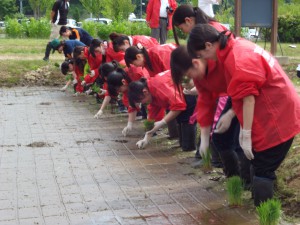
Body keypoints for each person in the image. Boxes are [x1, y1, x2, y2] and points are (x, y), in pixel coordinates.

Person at [186, 24, 300, 206]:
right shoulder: (234, 47)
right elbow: (240, 95)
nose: (204, 59)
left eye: (201, 55)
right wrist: (233, 116)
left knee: (263, 166)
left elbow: (248, 98)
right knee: (259, 162)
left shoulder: (237, 58)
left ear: (208, 45)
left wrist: (245, 133)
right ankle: (261, 206)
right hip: (275, 107)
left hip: (277, 113)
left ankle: (264, 214)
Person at [127, 70, 197, 151]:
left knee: (186, 119)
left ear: (145, 92)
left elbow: (179, 106)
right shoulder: (151, 94)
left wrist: (163, 121)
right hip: (178, 98)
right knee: (179, 119)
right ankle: (184, 145)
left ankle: (190, 148)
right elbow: (152, 119)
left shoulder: (160, 87)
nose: (142, 103)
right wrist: (147, 136)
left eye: (140, 101)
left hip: (188, 92)